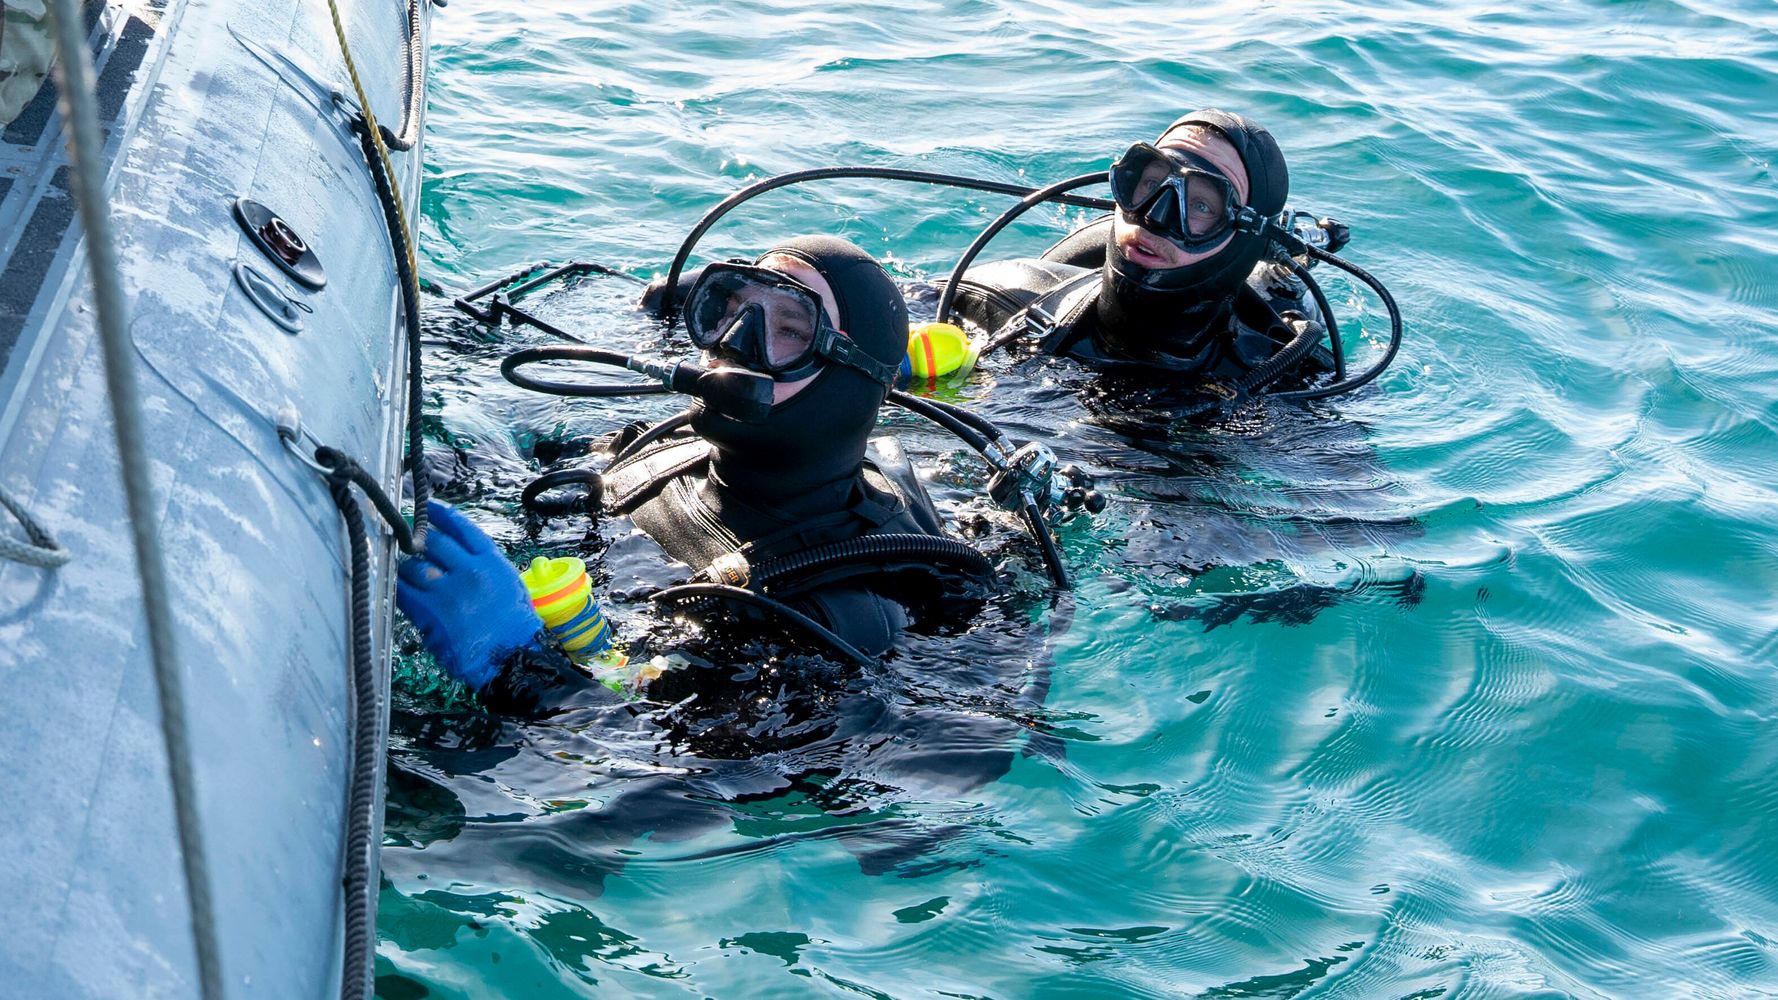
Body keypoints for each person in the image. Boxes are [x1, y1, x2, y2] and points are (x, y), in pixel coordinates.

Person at [397, 236, 973, 713]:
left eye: (790, 331)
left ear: (852, 378)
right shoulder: (669, 448)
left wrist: (512, 667)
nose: (730, 344)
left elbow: (654, 788)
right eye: (731, 310)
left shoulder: (829, 624)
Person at [947, 109, 1335, 395]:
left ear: (1246, 237)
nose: (1153, 217)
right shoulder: (1000, 298)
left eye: (1200, 207)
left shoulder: (1284, 380)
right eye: (1151, 183)